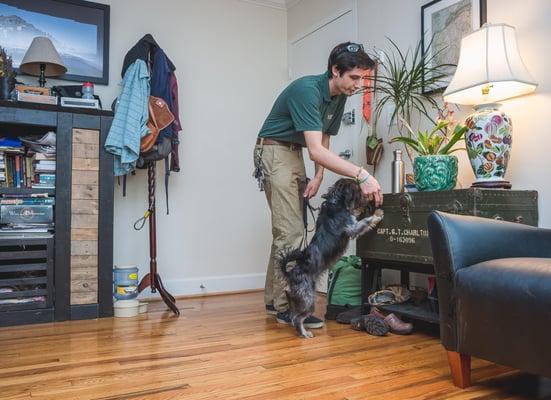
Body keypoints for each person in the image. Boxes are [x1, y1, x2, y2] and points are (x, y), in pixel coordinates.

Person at [253, 42, 383, 329]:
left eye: (362, 79)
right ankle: (287, 307)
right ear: (335, 71)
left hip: (293, 152)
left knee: (290, 228)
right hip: (274, 151)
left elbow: (323, 139)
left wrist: (319, 176)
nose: (358, 85)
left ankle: (273, 299)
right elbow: (315, 148)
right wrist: (362, 174)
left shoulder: (338, 96)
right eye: (354, 78)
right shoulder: (307, 91)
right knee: (291, 231)